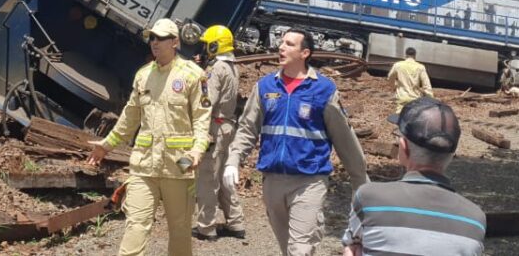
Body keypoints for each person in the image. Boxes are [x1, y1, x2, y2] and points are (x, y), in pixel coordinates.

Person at [225, 28, 368, 256]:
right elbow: (247, 128)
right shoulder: (265, 87)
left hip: (309, 182)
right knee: (287, 249)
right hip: (272, 180)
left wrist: (360, 179)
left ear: (305, 53)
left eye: (290, 44)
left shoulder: (323, 89)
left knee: (299, 250)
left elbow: (344, 138)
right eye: (282, 43)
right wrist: (233, 160)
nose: (281, 47)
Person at [87, 18, 211, 256]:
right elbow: (129, 117)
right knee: (136, 224)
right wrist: (107, 145)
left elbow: (202, 118)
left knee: (180, 230)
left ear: (175, 42)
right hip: (144, 166)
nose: (154, 43)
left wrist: (198, 149)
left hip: (179, 166)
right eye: (152, 37)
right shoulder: (143, 75)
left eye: (161, 38)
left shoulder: (194, 75)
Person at [342, 97, 485, 256]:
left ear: (403, 148)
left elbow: (352, 247)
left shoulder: (368, 198)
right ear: (452, 154)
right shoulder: (475, 219)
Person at [192, 24, 246, 241]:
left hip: (214, 126)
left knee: (207, 179)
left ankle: (206, 227)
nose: (205, 48)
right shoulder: (231, 66)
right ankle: (236, 223)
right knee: (224, 178)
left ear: (215, 45)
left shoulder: (216, 69)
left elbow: (207, 101)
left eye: (207, 44)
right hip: (228, 126)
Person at [386, 46, 434, 114]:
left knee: (400, 118)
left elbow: (390, 77)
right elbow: (426, 84)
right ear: (415, 56)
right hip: (414, 99)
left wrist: (394, 86)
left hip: (402, 97)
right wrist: (430, 97)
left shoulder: (398, 65)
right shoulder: (420, 67)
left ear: (405, 55)